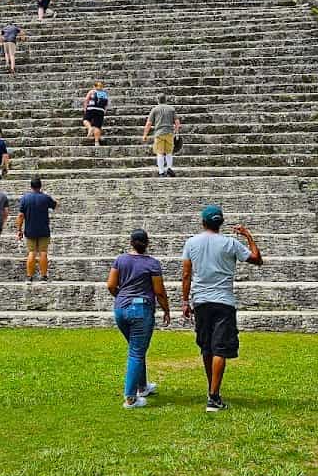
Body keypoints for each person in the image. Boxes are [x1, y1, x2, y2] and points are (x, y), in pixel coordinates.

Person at [181, 205, 263, 412]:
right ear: (221, 223)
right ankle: (214, 396)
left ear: (203, 222)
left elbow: (186, 274)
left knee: (207, 347)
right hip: (224, 301)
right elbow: (257, 259)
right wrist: (248, 236)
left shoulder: (191, 243)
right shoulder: (231, 243)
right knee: (220, 348)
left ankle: (212, 390)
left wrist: (184, 301)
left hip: (201, 301)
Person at [107, 229, 171, 409]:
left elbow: (111, 285)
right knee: (136, 352)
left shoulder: (120, 260)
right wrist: (166, 309)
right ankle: (130, 398)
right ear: (147, 243)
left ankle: (142, 386)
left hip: (121, 308)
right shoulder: (152, 264)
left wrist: (121, 296)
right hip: (141, 309)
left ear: (131, 242)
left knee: (136, 348)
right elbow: (158, 291)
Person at [16, 175, 58, 283]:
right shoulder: (45, 197)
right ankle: (44, 277)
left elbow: (21, 215)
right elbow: (56, 205)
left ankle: (29, 277)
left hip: (30, 230)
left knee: (31, 252)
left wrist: (19, 230)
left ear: (31, 186)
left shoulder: (25, 199)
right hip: (44, 229)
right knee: (43, 252)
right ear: (40, 186)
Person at [142, 95, 181, 177]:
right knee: (169, 152)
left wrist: (145, 135)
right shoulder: (171, 109)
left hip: (159, 134)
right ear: (165, 100)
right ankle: (169, 168)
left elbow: (149, 123)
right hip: (169, 133)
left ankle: (161, 172)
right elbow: (177, 122)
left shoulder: (155, 109)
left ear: (158, 100)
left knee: (160, 153)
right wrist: (176, 132)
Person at [82, 80, 109, 146]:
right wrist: (104, 110)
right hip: (100, 110)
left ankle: (90, 128)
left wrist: (85, 108)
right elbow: (106, 104)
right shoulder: (104, 93)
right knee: (97, 126)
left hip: (91, 108)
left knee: (85, 120)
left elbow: (86, 100)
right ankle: (96, 142)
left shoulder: (92, 91)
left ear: (94, 86)